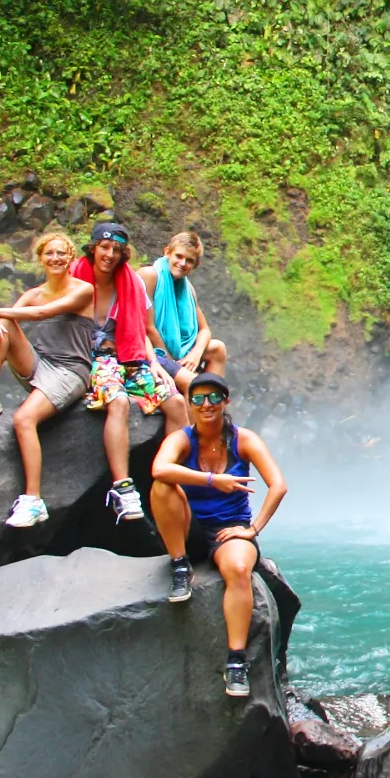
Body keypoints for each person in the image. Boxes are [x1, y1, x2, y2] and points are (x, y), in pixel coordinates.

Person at [148, 372, 288, 698]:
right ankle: (180, 565)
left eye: (213, 397)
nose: (206, 404)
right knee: (161, 486)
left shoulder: (244, 439)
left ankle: (236, 661)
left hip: (231, 530)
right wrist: (212, 480)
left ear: (225, 401)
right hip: (191, 529)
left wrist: (252, 529)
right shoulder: (182, 439)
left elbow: (278, 485)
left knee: (239, 570)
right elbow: (159, 468)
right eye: (198, 399)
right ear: (189, 404)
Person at [0, 232, 96, 527]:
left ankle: (34, 501)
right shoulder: (33, 293)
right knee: (3, 322)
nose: (56, 258)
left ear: (71, 258)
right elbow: (15, 316)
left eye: (62, 253)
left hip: (70, 371)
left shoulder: (83, 290)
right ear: (41, 259)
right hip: (39, 365)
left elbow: (43, 313)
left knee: (23, 420)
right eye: (50, 254)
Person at [73, 219, 187, 521]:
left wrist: (154, 364)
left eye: (117, 250)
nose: (110, 255)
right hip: (89, 360)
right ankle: (123, 488)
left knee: (175, 401)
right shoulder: (74, 278)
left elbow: (140, 329)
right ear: (94, 248)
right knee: (118, 400)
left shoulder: (132, 283)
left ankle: (172, 479)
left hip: (130, 357)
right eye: (105, 247)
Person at [139, 231, 227, 396]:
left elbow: (204, 330)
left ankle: (215, 407)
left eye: (189, 260)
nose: (182, 263)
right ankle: (199, 415)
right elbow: (147, 327)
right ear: (167, 252)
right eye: (178, 256)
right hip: (151, 350)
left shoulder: (188, 289)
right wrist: (174, 365)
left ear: (196, 264)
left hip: (179, 351)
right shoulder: (149, 275)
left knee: (217, 348)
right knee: (195, 385)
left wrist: (195, 354)